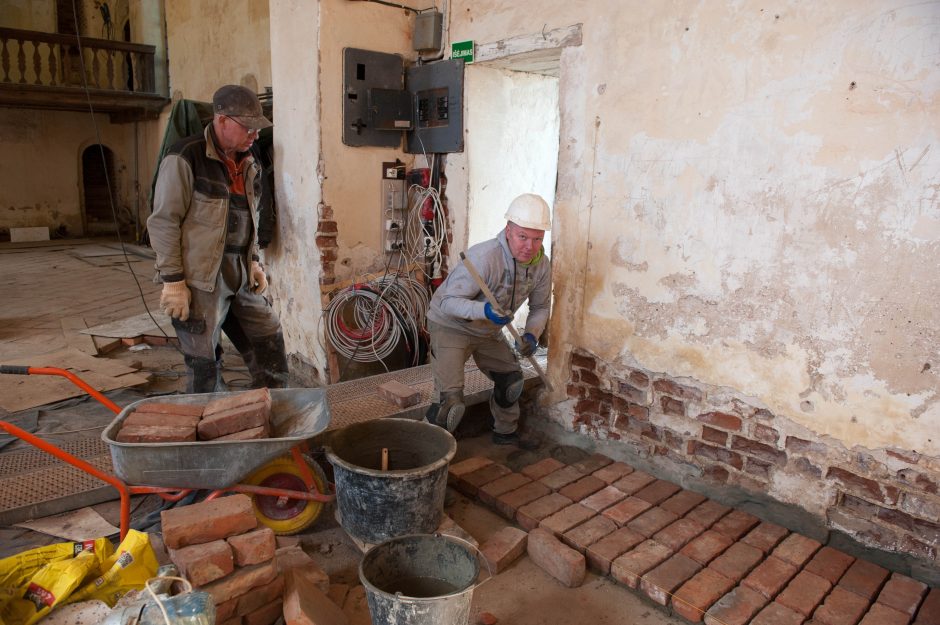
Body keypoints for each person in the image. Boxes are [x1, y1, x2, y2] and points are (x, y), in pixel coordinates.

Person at [148, 84, 289, 393]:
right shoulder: (185, 157)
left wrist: (253, 263)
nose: (254, 135)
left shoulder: (249, 161)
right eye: (248, 127)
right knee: (204, 361)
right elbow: (163, 222)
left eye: (257, 128)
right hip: (200, 277)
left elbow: (249, 217)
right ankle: (211, 420)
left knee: (268, 332)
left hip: (238, 271)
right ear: (222, 120)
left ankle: (274, 404)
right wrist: (173, 281)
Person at [424, 193, 552, 448]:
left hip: (488, 331)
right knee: (449, 404)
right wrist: (485, 311)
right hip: (450, 326)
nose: (529, 246)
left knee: (511, 382)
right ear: (508, 231)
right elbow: (448, 302)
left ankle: (505, 433)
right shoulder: (484, 257)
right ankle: (427, 453)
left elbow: (540, 307)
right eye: (522, 237)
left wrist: (531, 335)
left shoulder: (541, 266)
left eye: (537, 239)